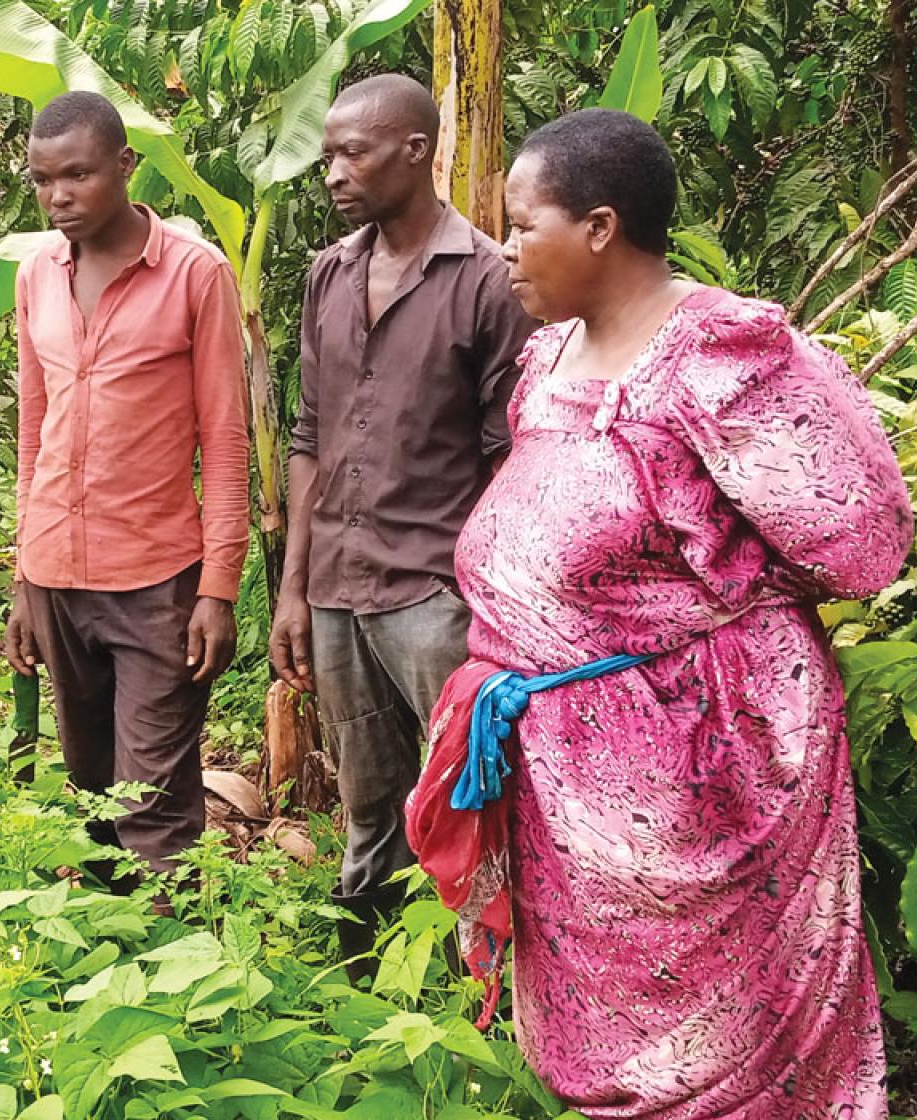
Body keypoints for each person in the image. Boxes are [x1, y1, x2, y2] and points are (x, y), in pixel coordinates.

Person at [405, 109, 913, 1116]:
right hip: (562, 773)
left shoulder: (719, 354)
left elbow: (859, 532)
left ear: (598, 227)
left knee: (724, 1042)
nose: (505, 248)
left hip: (702, 764)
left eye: (523, 223)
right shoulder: (548, 358)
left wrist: (698, 623)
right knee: (598, 1040)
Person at [268, 74, 535, 979]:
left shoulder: (489, 280)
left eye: (354, 151)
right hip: (338, 585)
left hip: (433, 590)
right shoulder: (329, 273)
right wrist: (293, 588)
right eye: (329, 151)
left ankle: (485, 988)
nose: (332, 170)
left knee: (466, 795)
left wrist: (488, 595)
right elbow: (308, 436)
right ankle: (364, 988)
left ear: (415, 151)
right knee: (366, 795)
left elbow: (510, 454)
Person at [0, 91, 250, 884]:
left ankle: (179, 977)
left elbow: (227, 438)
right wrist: (20, 582)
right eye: (42, 180)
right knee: (90, 789)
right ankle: (104, 963)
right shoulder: (36, 274)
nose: (58, 196)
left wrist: (218, 589)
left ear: (125, 166)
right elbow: (32, 430)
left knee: (155, 800)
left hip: (155, 581)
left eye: (77, 175)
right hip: (54, 576)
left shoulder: (193, 273)